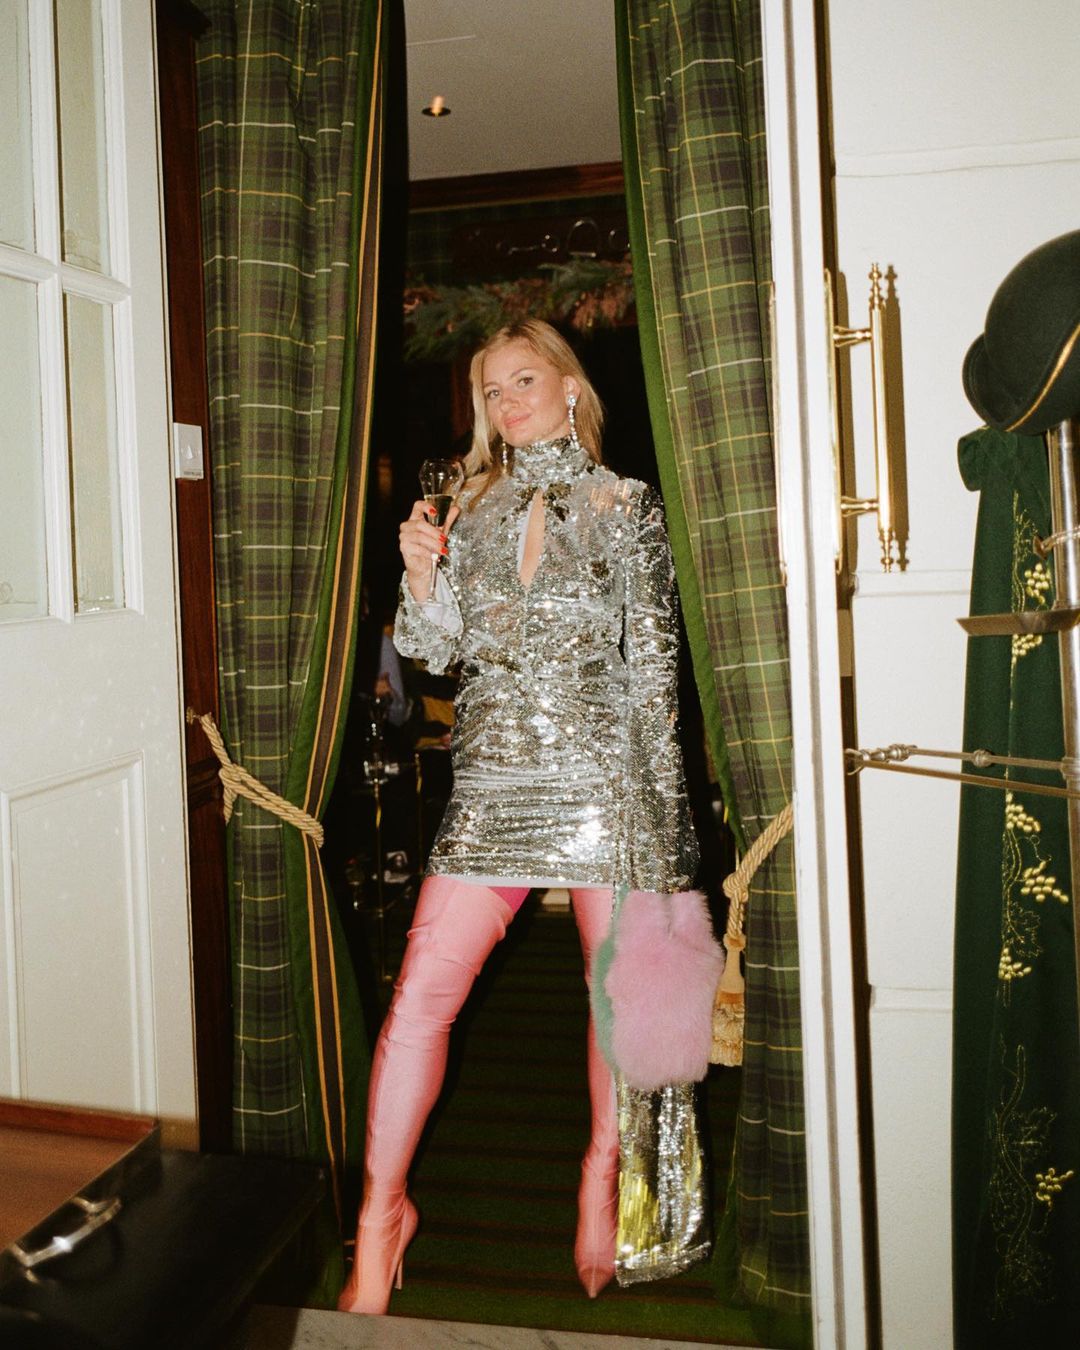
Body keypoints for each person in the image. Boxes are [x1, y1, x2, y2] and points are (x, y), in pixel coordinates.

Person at [338, 318, 699, 1315]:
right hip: (493, 779)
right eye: (490, 391)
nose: (506, 403)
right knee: (421, 996)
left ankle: (600, 1179)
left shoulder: (627, 506)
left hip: (605, 778)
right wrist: (421, 574)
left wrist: (667, 827)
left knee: (611, 1000)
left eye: (523, 381)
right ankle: (382, 1214)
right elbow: (436, 653)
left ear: (570, 388)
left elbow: (655, 671)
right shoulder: (470, 505)